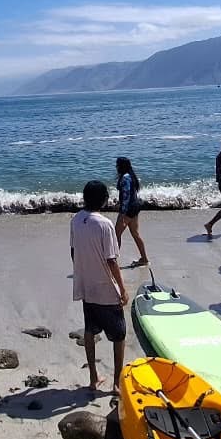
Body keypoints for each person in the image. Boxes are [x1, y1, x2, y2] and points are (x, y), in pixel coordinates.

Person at [70, 180, 128, 392]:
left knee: (90, 331)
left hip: (87, 287)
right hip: (106, 289)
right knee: (119, 336)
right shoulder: (105, 224)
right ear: (104, 200)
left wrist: (83, 273)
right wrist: (122, 288)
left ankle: (94, 378)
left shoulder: (75, 220)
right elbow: (111, 260)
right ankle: (116, 382)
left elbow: (74, 252)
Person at [114, 157, 148, 267]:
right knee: (135, 233)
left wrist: (123, 213)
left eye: (117, 165)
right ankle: (144, 258)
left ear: (121, 166)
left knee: (116, 234)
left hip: (128, 210)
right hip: (135, 207)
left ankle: (113, 261)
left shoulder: (124, 178)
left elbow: (126, 196)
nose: (116, 167)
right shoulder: (131, 176)